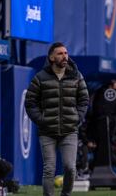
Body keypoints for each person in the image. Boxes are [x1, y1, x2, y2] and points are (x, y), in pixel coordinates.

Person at [25, 42, 89, 196]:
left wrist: (77, 118)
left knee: (70, 167)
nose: (64, 56)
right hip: (47, 131)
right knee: (49, 169)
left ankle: (65, 194)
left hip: (69, 130)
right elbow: (30, 102)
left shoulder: (76, 75)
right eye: (60, 53)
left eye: (66, 53)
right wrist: (41, 120)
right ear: (52, 57)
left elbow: (84, 99)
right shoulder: (40, 77)